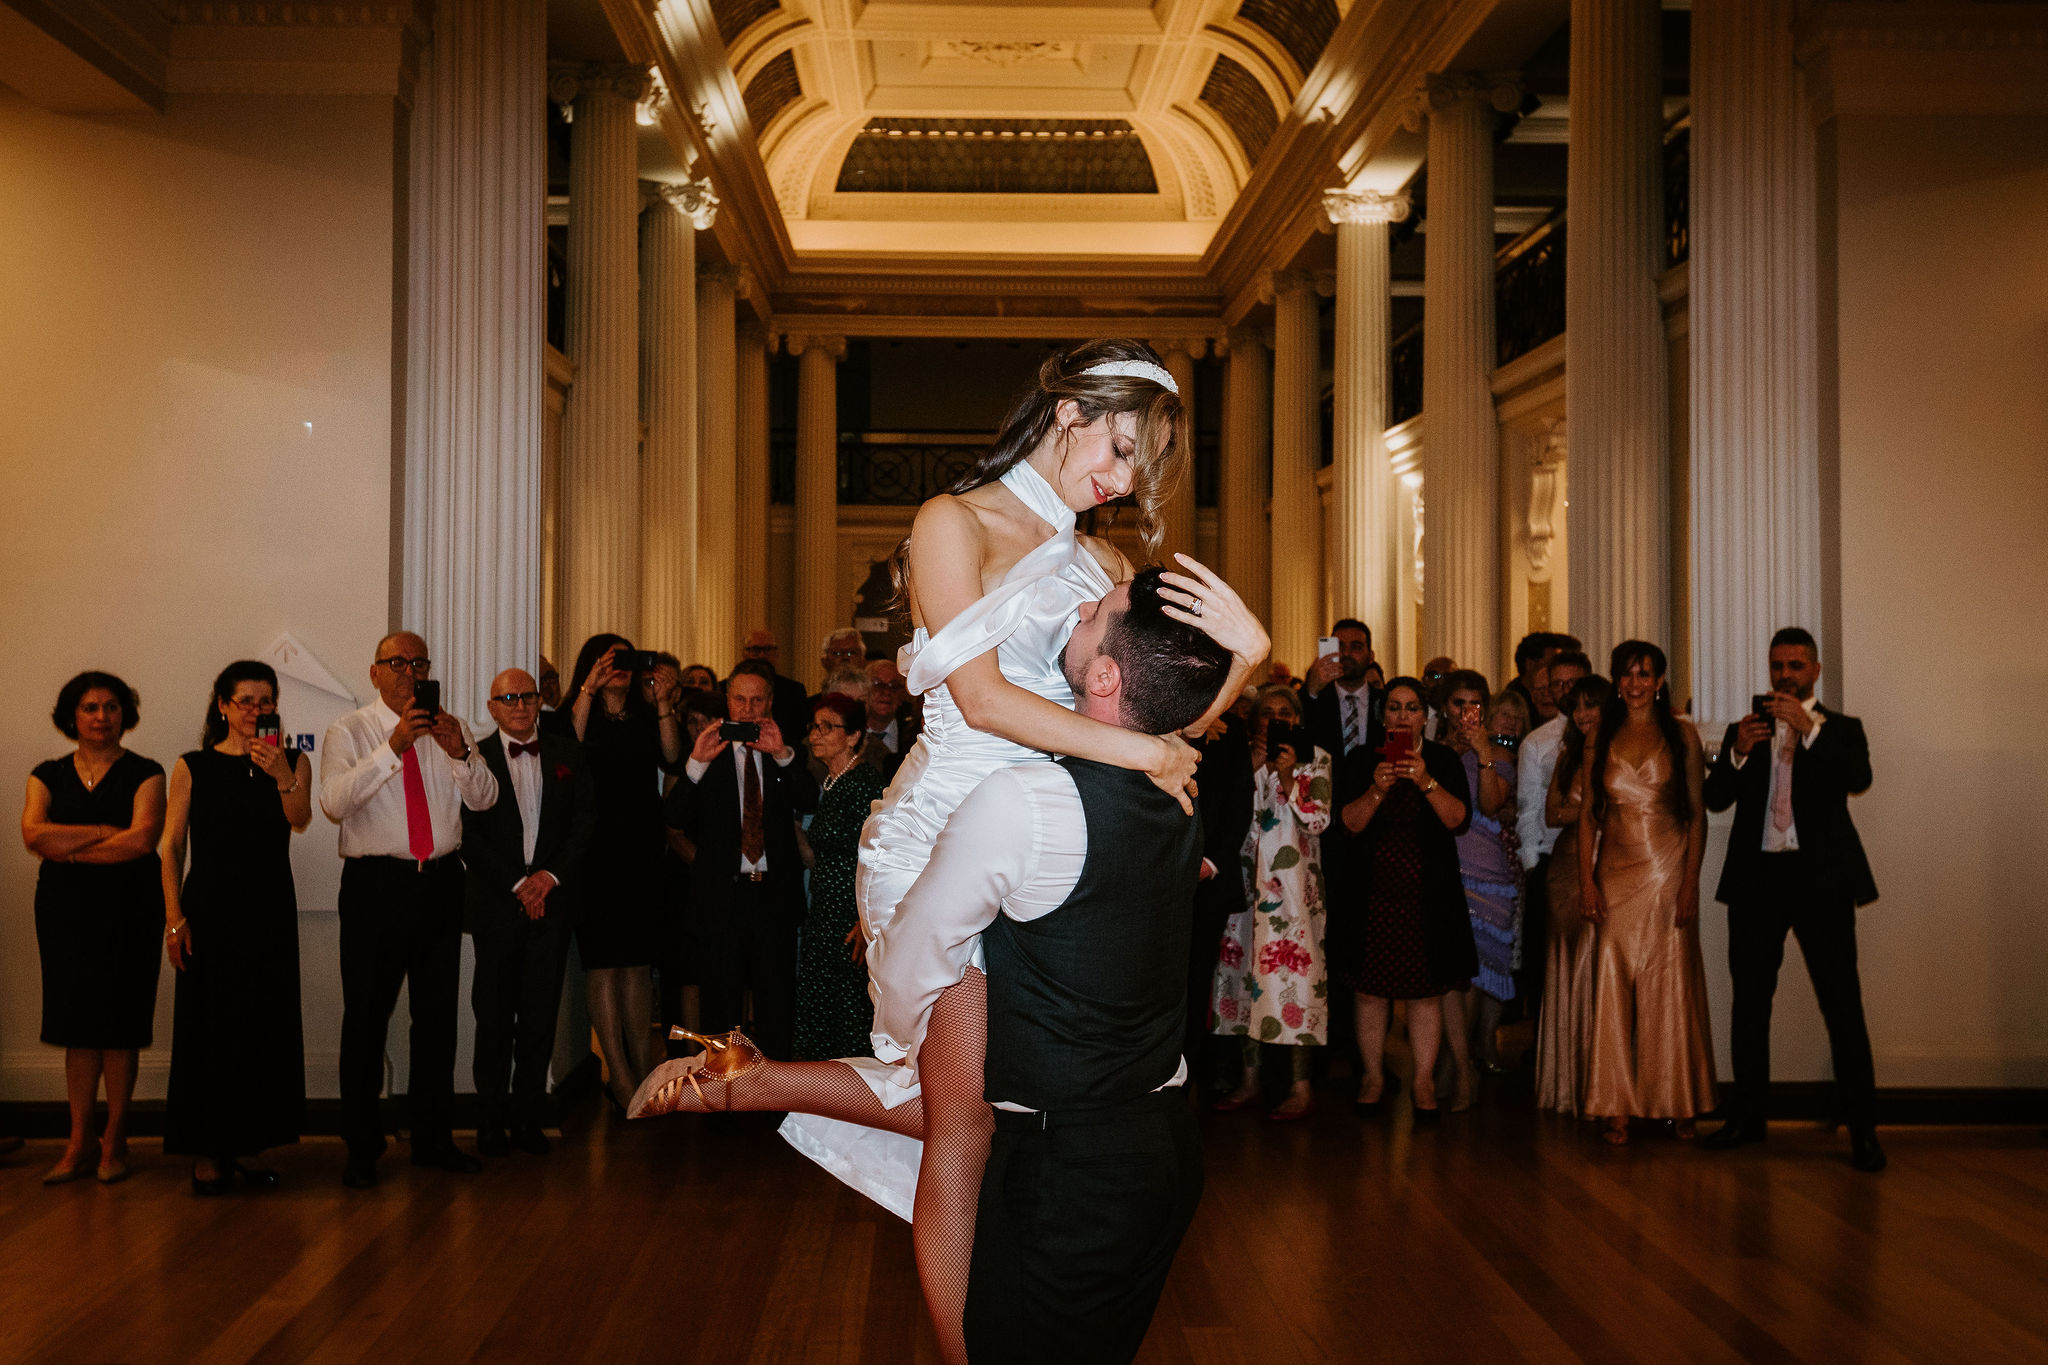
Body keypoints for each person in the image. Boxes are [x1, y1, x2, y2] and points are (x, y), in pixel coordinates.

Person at [632, 340, 1263, 1365]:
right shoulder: (950, 522)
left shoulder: (1102, 564)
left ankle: (748, 1081)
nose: (1121, 481)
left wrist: (1247, 662)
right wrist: (1143, 751)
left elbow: (1158, 721)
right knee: (962, 1125)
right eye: (1118, 449)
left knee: (970, 1102)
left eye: (1136, 468)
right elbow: (978, 700)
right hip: (943, 841)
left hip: (1052, 845)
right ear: (1068, 415)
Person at [839, 579, 1230, 1363]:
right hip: (1165, 1151)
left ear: (1105, 677)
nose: (1078, 608)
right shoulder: (1182, 788)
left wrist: (899, 1040)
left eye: (1095, 612)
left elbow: (918, 955)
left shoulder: (1025, 802)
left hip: (1070, 1172)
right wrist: (1241, 648)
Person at [1702, 628, 1885, 1172]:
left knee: (1842, 1007)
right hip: (1758, 883)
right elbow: (1714, 800)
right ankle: (1747, 1120)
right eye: (1778, 665)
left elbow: (1859, 778)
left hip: (1821, 884)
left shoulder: (1841, 730)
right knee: (1750, 1005)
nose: (1786, 674)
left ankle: (1865, 1131)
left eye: (1797, 665)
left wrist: (1810, 732)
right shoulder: (1748, 729)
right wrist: (1735, 752)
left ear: (1816, 671)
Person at [319, 631, 497, 1188]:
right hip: (377, 886)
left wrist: (461, 754)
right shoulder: (348, 731)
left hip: (441, 885)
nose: (409, 672)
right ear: (374, 673)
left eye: (418, 663)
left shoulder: (453, 726)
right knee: (367, 1018)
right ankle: (361, 1147)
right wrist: (393, 746)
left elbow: (485, 799)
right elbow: (332, 802)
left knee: (437, 1019)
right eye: (397, 663)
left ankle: (433, 1139)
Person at [159, 662, 311, 1195]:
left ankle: (241, 1145)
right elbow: (171, 845)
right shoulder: (192, 765)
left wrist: (281, 775)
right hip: (210, 912)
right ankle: (206, 1155)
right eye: (245, 700)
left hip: (268, 911)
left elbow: (299, 817)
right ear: (221, 705)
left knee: (259, 1027)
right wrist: (174, 920)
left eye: (266, 701)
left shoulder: (292, 760)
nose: (257, 711)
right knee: (208, 1029)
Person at [20, 672, 166, 1185]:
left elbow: (142, 840)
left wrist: (71, 848)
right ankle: (79, 1141)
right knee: (76, 1025)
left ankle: (117, 1138)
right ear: (71, 716)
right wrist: (104, 832)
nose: (101, 717)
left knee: (120, 1025)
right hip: (64, 913)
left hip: (131, 909)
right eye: (90, 707)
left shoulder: (147, 773)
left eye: (111, 707)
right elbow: (34, 835)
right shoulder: (47, 774)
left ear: (124, 714)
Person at [1578, 641, 1716, 1145]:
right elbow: (1589, 817)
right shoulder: (1601, 734)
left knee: (1669, 984)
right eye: (1628, 674)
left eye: (1646, 674)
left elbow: (1696, 815)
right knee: (1613, 983)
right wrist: (1586, 880)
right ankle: (1615, 1102)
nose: (1636, 683)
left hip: (1666, 868)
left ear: (1660, 680)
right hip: (1614, 871)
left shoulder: (1681, 736)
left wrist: (1690, 884)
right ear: (1616, 680)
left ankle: (1677, 1100)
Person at [462, 669, 596, 1158]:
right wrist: (519, 884)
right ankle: (491, 1122)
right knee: (493, 1017)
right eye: (509, 697)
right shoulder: (473, 758)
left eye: (528, 696)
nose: (520, 705)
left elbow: (584, 824)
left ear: (540, 702)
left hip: (552, 905)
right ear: (493, 706)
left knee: (540, 1017)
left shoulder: (567, 753)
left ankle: (526, 1120)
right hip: (497, 906)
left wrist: (548, 879)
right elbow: (469, 836)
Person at [1329, 677, 1475, 1122]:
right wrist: (1378, 787)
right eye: (1394, 707)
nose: (1403, 716)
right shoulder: (1359, 761)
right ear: (1382, 715)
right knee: (1370, 993)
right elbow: (1348, 824)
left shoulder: (1444, 760)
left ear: (1425, 718)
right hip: (1370, 896)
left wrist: (1425, 780)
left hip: (1427, 897)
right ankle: (1373, 1077)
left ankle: (1424, 1082)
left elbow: (1458, 821)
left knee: (1425, 995)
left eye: (1412, 708)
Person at [664, 660, 819, 1062]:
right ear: (727, 701)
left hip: (774, 898)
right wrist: (695, 764)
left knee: (776, 1006)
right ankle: (725, 1098)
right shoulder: (705, 752)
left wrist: (783, 755)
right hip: (721, 901)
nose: (748, 709)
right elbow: (674, 818)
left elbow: (810, 798)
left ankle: (776, 1096)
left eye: (757, 700)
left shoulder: (785, 752)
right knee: (721, 1007)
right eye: (739, 699)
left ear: (769, 703)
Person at [551, 634, 682, 1110]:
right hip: (593, 851)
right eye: (610, 660)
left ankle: (644, 1066)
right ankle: (619, 1073)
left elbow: (672, 758)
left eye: (626, 659)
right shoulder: (579, 711)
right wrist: (589, 688)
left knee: (637, 964)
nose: (620, 668)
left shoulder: (647, 715)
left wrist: (663, 702)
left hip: (642, 847)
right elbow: (568, 747)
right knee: (604, 964)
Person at [1212, 683, 1331, 1120]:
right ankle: (1250, 1082)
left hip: (1295, 894)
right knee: (1246, 981)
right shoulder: (1238, 758)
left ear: (1296, 720)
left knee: (1298, 982)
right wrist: (1253, 768)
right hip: (1246, 886)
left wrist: (1287, 777)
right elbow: (1225, 811)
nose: (1276, 718)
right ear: (1255, 718)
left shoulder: (1316, 758)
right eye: (1267, 712)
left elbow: (1318, 819)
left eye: (1285, 712)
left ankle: (1301, 1087)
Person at [1442, 678, 1529, 1091]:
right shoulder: (1437, 750)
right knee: (1451, 974)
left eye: (1475, 706)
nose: (1467, 714)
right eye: (1461, 706)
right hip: (1445, 869)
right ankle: (1452, 1061)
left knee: (1479, 972)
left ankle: (1463, 1063)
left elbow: (1493, 804)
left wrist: (1481, 753)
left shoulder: (1502, 757)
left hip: (1488, 875)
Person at [793, 694, 889, 1062]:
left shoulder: (865, 784)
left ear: (853, 736)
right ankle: (818, 1107)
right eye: (813, 727)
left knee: (848, 1014)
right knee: (821, 1010)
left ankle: (849, 1106)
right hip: (825, 913)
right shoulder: (833, 781)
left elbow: (878, 857)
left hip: (849, 918)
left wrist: (866, 922)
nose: (815, 735)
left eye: (827, 727)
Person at [1534, 674, 1612, 1116]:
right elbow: (1551, 812)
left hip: (1614, 862)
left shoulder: (1621, 752)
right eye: (1577, 707)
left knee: (1604, 964)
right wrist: (1587, 812)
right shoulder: (1568, 755)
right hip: (1566, 866)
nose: (1583, 715)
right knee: (1569, 961)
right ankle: (1569, 1083)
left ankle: (1605, 1082)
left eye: (1591, 705)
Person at [1514, 649, 1592, 1015]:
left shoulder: (1612, 732)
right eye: (1555, 684)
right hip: (1553, 857)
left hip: (1606, 857)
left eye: (1571, 682)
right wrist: (1532, 864)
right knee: (1552, 959)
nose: (1562, 691)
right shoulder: (1538, 742)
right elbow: (1529, 807)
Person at [1185, 696, 1252, 1091]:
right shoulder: (1153, 712)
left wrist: (1210, 862)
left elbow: (1240, 800)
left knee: (1198, 979)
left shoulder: (1230, 728)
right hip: (1152, 875)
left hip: (1207, 877)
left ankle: (1191, 1075)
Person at [741, 628, 815, 745]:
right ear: (744, 654)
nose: (762, 655)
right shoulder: (725, 688)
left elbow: (799, 734)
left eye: (767, 650)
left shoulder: (794, 691)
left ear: (776, 653)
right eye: (756, 650)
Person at [862, 658, 921, 781]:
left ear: (903, 695)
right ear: (864, 689)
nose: (887, 692)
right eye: (878, 684)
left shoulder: (915, 735)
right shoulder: (850, 730)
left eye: (894, 686)